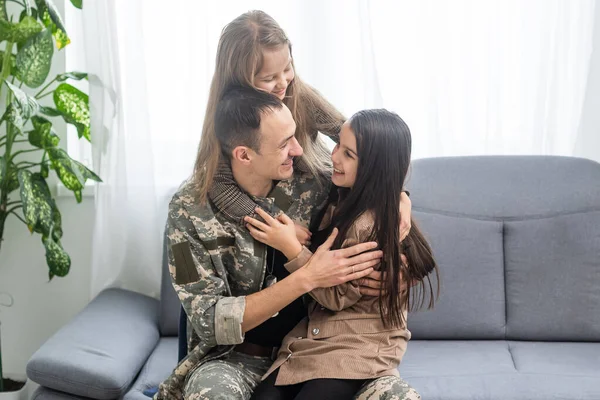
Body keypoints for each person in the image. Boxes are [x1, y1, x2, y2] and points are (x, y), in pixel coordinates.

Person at [156, 87, 396, 400]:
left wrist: (401, 214)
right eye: (285, 144)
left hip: (321, 354)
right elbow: (208, 320)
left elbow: (378, 170)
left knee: (397, 395)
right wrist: (306, 278)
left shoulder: (315, 182)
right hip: (232, 361)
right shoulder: (186, 212)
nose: (298, 149)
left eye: (295, 136)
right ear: (244, 154)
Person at [246, 109, 439, 400]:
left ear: (375, 166)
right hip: (311, 343)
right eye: (337, 146)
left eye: (348, 154)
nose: (334, 157)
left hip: (353, 349)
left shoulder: (369, 225)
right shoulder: (338, 197)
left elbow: (336, 297)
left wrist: (291, 248)